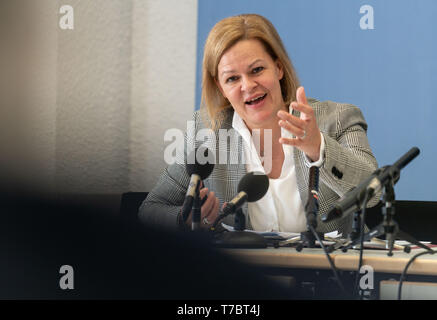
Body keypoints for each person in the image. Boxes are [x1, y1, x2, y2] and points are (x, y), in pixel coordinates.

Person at [139, 14, 379, 236]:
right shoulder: (205, 131)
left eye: (257, 70)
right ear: (220, 86)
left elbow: (374, 192)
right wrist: (189, 218)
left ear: (278, 68)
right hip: (243, 279)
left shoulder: (337, 118)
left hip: (329, 276)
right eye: (232, 78)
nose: (248, 85)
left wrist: (319, 148)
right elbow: (150, 210)